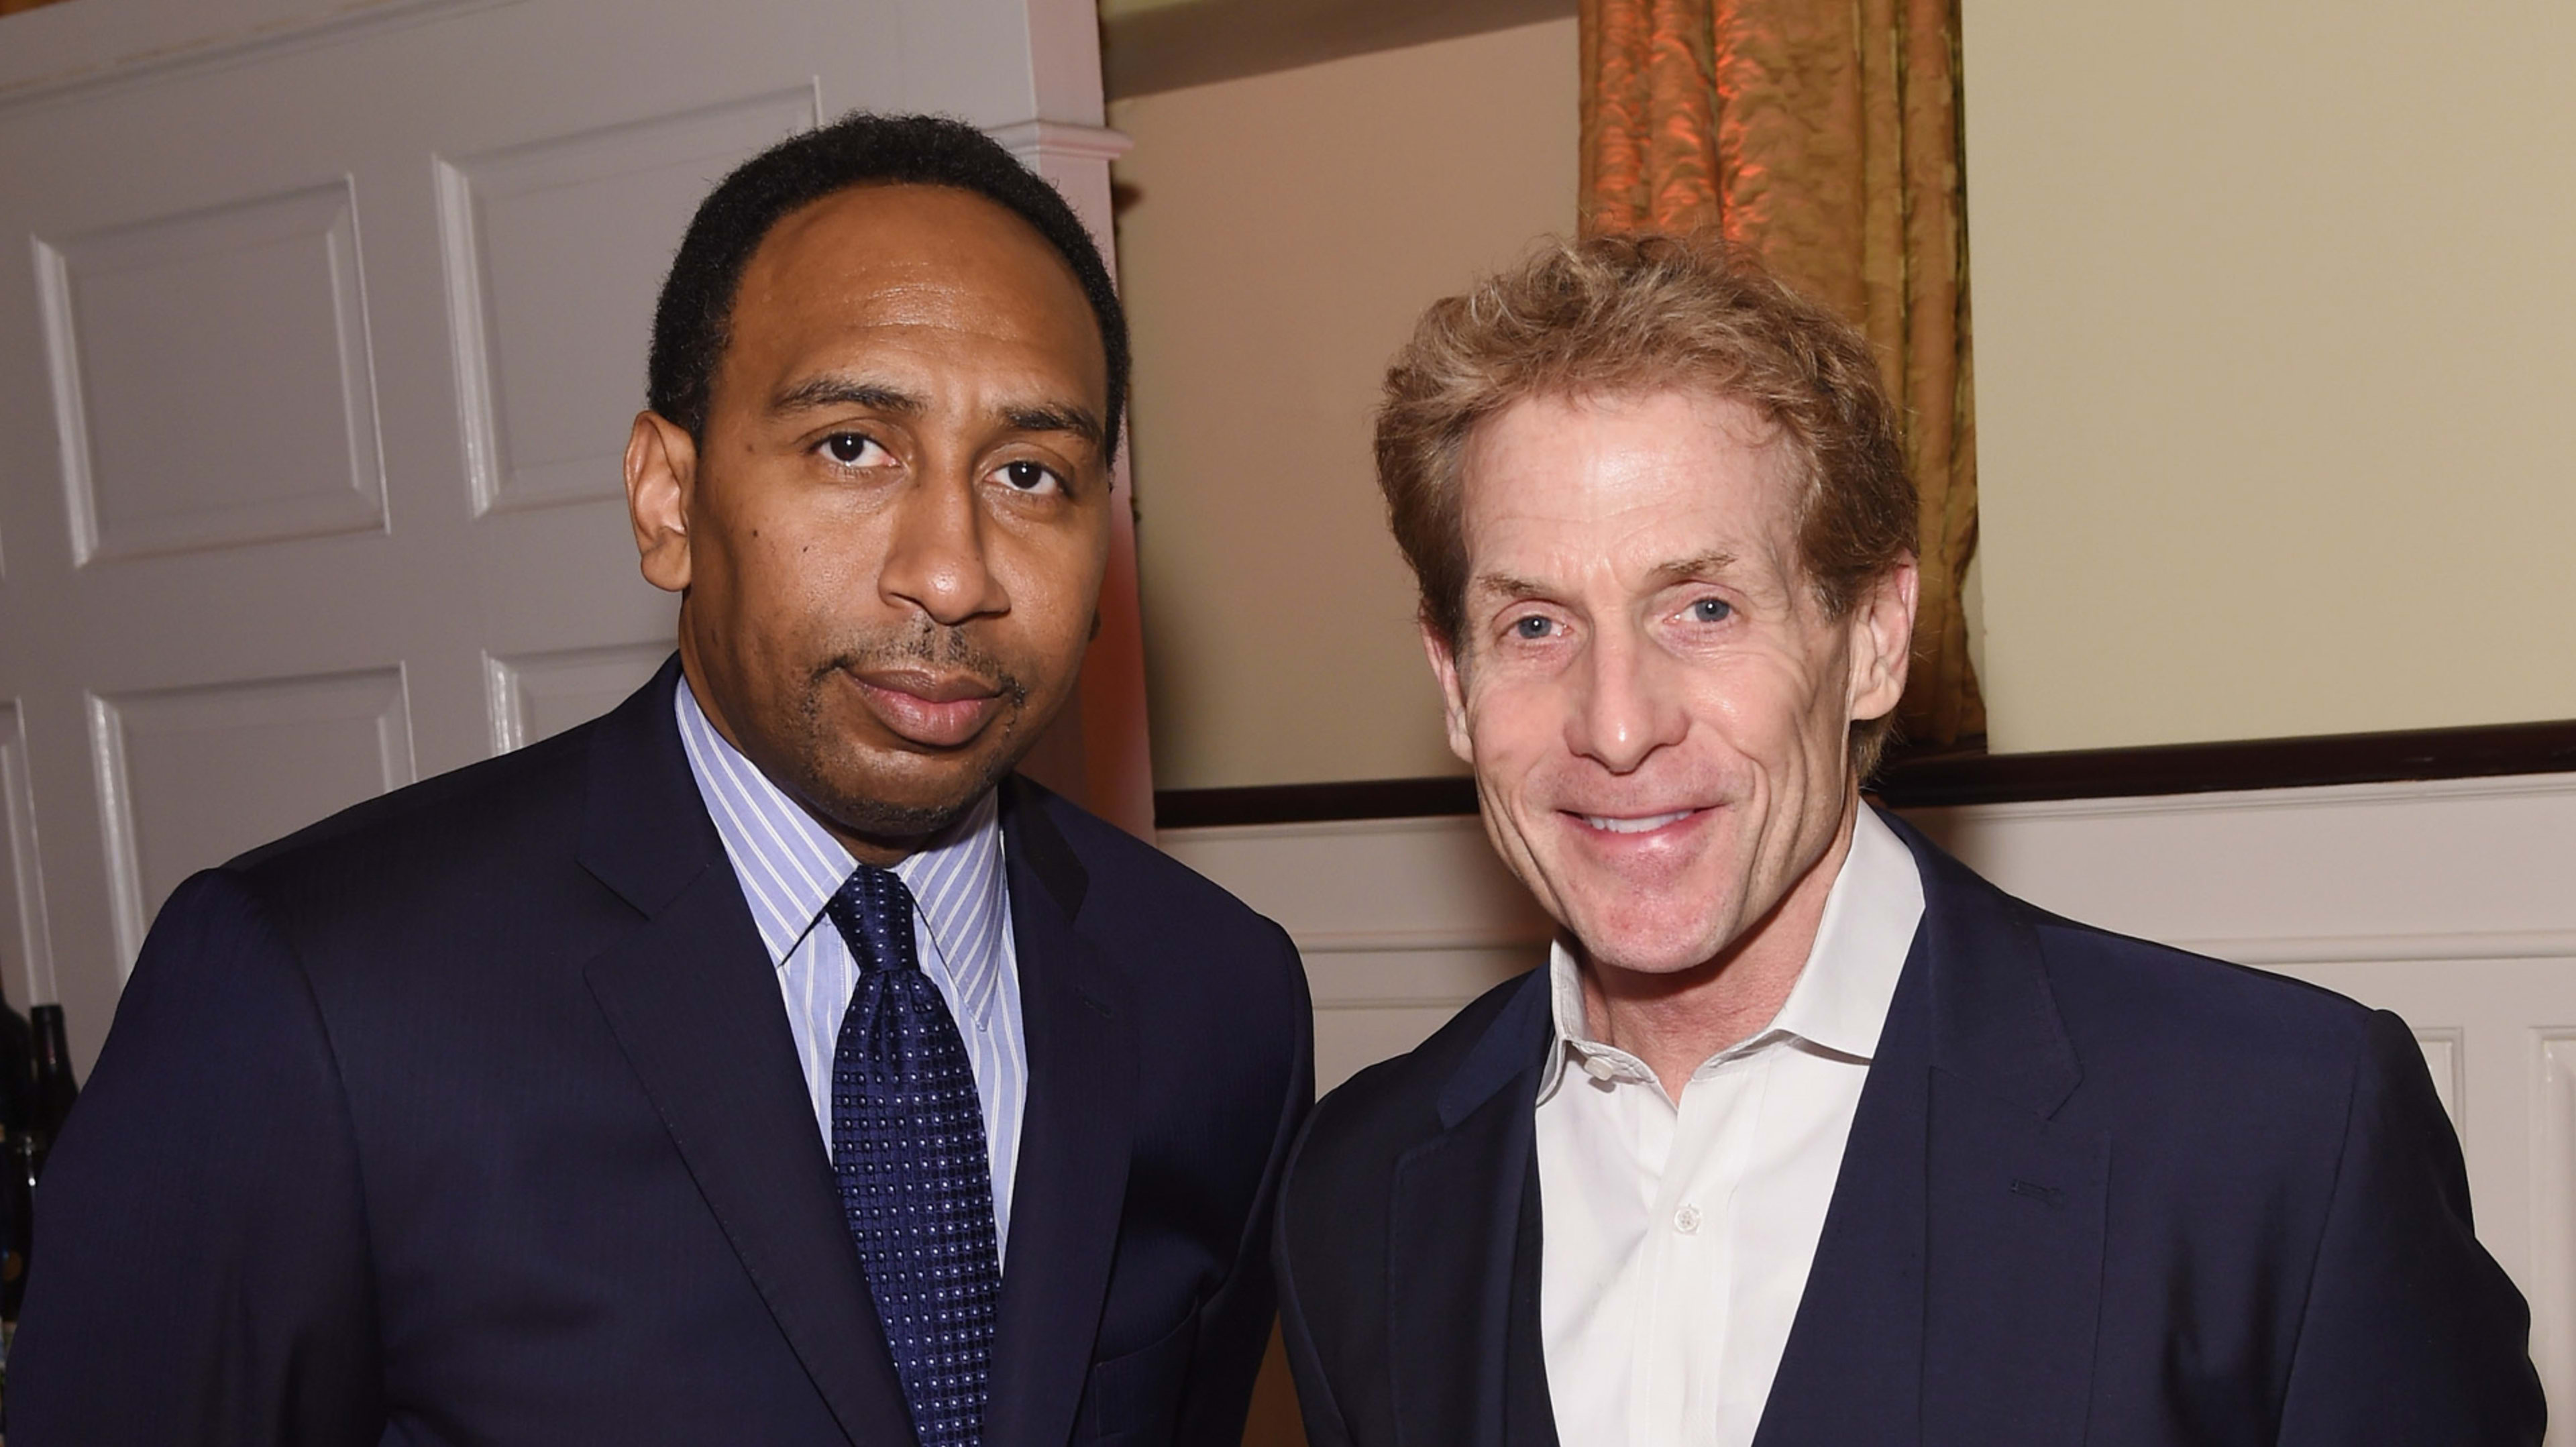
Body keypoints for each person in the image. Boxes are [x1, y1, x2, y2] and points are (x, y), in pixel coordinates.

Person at [13, 113, 1311, 1446]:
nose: (952, 569)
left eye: (1031, 472)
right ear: (667, 500)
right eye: (853, 445)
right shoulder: (314, 1000)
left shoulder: (1219, 998)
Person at [1271, 233, 2542, 1446]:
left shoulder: (2276, 1136)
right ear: (1452, 681)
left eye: (1704, 607)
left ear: (1874, 635)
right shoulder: (1358, 1188)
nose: (1616, 724)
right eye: (1536, 626)